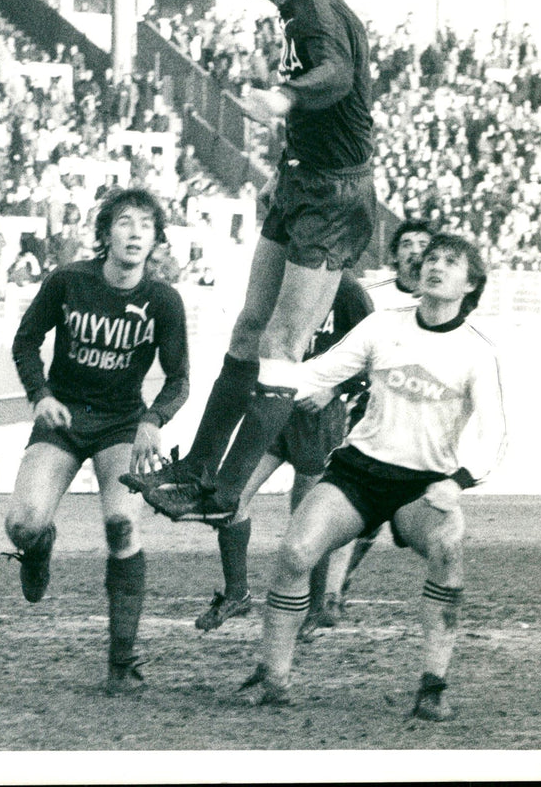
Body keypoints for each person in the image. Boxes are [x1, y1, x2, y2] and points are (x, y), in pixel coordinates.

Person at [123, 0, 376, 524]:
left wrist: (286, 97)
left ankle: (226, 492)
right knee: (249, 330)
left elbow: (338, 76)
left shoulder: (315, 11)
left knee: (284, 345)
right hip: (302, 187)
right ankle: (200, 469)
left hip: (335, 200)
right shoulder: (301, 13)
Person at [239, 233, 506, 720]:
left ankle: (433, 684)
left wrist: (460, 481)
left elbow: (494, 433)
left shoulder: (476, 353)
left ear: (471, 284)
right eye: (431, 259)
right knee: (295, 551)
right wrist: (263, 381)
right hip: (359, 471)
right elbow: (319, 373)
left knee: (449, 548)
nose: (435, 266)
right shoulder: (383, 326)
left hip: (422, 485)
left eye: (450, 262)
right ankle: (272, 677)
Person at [3, 187, 189, 695]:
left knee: (122, 525)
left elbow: (179, 380)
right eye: (124, 222)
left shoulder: (164, 300)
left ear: (156, 240)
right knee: (21, 523)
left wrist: (154, 419)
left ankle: (122, 664)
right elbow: (25, 341)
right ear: (105, 233)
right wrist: (39, 394)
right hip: (62, 417)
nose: (134, 233)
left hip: (121, 425)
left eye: (145, 226)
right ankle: (39, 546)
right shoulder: (68, 281)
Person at [194, 269, 374, 632]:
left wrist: (335, 389)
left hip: (317, 418)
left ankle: (312, 609)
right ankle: (237, 594)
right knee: (231, 498)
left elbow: (373, 352)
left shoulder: (349, 291)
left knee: (309, 521)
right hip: (273, 409)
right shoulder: (280, 281)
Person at [308, 218, 433, 636]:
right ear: (394, 253)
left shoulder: (442, 306)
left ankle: (335, 586)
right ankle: (327, 594)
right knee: (351, 500)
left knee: (385, 516)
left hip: (417, 421)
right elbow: (350, 351)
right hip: (367, 410)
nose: (416, 251)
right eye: (408, 243)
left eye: (424, 244)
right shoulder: (369, 297)